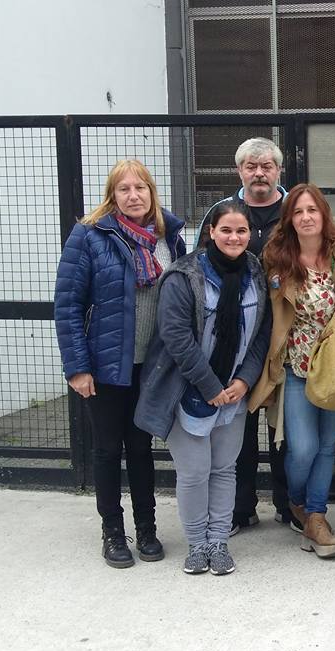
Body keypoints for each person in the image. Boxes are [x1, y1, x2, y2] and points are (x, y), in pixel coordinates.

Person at [54, 159, 186, 569]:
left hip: (153, 365)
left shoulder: (170, 237)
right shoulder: (90, 235)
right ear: (112, 195)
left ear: (151, 192)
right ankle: (113, 531)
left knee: (142, 448)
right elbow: (68, 305)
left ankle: (147, 528)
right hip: (107, 364)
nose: (133, 195)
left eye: (140, 188)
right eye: (124, 189)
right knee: (108, 449)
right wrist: (77, 367)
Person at [135, 201, 272, 575]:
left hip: (234, 393)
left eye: (241, 231)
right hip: (189, 390)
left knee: (224, 469)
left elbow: (262, 332)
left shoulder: (256, 272)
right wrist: (210, 386)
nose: (234, 237)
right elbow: (176, 337)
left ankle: (219, 542)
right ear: (211, 232)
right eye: (226, 230)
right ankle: (197, 544)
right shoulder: (184, 276)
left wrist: (244, 380)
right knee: (194, 472)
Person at [248, 184, 335, 559]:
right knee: (302, 449)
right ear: (289, 219)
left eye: (312, 210)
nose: (306, 217)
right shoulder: (276, 260)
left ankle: (317, 516)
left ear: (324, 215)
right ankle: (297, 502)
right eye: (298, 211)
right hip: (295, 369)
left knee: (326, 447)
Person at [198, 137, 293, 537]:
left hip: (288, 335)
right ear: (239, 171)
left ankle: (288, 506)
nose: (259, 173)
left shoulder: (295, 210)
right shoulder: (222, 213)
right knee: (239, 425)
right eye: (251, 166)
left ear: (279, 170)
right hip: (236, 338)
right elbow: (200, 268)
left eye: (267, 166)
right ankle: (240, 508)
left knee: (284, 427)